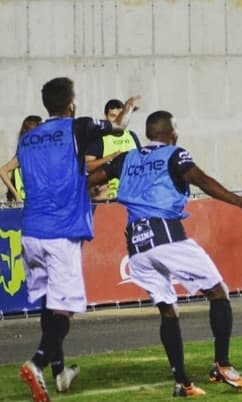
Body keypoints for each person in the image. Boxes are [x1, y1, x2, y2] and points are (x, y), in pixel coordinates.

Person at [88, 110, 242, 397]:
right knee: (218, 292)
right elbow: (203, 181)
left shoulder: (126, 157)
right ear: (170, 132)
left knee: (168, 309)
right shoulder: (174, 154)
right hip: (166, 236)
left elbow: (90, 179)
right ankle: (222, 365)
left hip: (136, 243)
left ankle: (182, 383)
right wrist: (240, 202)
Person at [17, 77, 140, 402]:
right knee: (67, 306)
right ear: (70, 103)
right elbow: (118, 128)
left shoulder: (28, 140)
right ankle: (38, 361)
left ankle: (59, 373)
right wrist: (127, 109)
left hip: (30, 231)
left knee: (49, 301)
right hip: (61, 231)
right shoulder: (77, 126)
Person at [85, 99, 142, 201]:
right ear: (105, 117)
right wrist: (109, 158)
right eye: (113, 116)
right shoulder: (99, 139)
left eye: (120, 116)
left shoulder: (132, 136)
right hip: (106, 197)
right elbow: (87, 166)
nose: (118, 120)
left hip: (131, 196)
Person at [0, 115, 43, 202]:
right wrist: (16, 196)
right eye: (41, 126)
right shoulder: (24, 154)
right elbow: (3, 171)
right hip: (27, 202)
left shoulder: (42, 152)